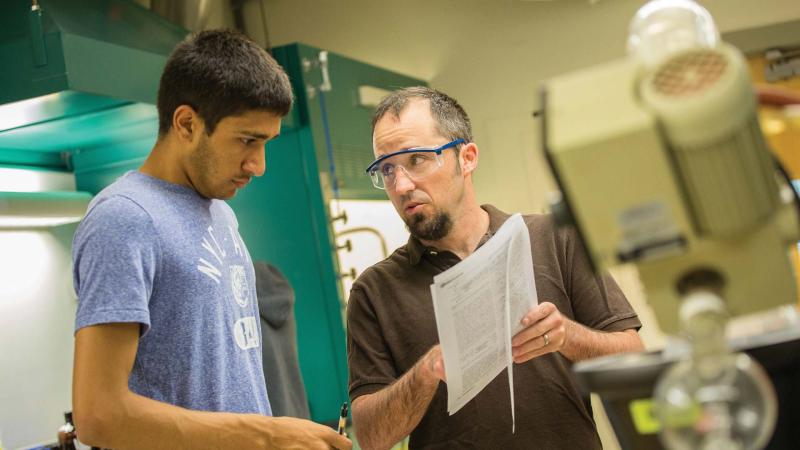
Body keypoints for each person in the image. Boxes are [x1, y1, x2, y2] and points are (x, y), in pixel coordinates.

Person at [71, 29, 351, 450]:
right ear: (187, 123)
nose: (258, 165)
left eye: (266, 144)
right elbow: (99, 415)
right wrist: (269, 434)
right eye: (247, 140)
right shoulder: (125, 218)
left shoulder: (221, 212)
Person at [346, 87, 645, 449]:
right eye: (387, 169)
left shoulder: (554, 238)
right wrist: (426, 373)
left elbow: (635, 359)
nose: (402, 185)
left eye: (416, 160)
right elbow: (371, 437)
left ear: (467, 157)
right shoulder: (374, 290)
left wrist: (567, 336)